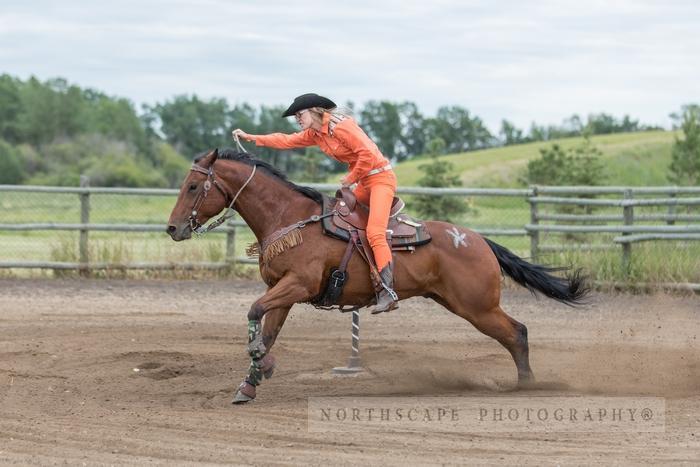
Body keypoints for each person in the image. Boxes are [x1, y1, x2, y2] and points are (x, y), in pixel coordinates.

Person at [232, 93, 398, 313]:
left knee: (375, 233)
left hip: (380, 180)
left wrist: (350, 178)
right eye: (295, 117)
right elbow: (286, 140)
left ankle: (388, 291)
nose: (297, 119)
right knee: (337, 218)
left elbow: (367, 155)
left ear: (315, 111)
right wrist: (251, 137)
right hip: (363, 183)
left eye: (299, 114)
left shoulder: (342, 127)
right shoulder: (316, 134)